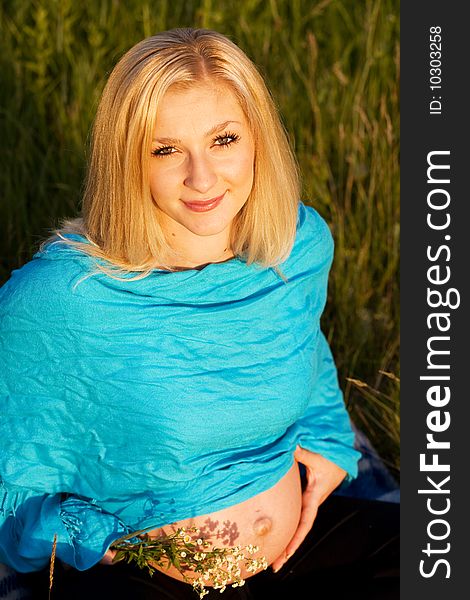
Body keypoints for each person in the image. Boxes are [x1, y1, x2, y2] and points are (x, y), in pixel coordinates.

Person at [0, 28, 398, 599]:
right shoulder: (63, 300)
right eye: (166, 150)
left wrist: (332, 445)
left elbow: (302, 346)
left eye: (224, 139)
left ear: (258, 139)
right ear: (128, 162)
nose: (203, 178)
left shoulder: (297, 247)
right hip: (147, 573)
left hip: (295, 549)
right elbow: (10, 467)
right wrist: (87, 535)